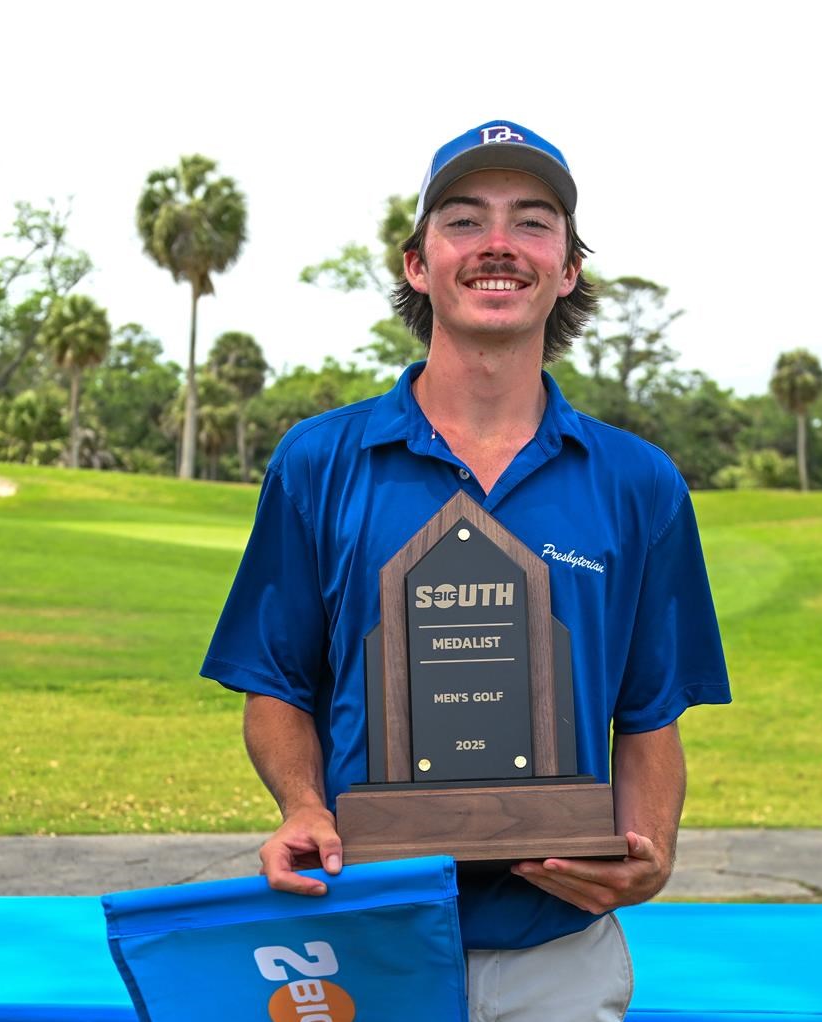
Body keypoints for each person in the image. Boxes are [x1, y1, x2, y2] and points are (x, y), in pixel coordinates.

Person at [202, 119, 731, 1021]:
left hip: (557, 954)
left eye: (532, 222)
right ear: (418, 264)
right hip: (365, 937)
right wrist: (302, 806)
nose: (498, 244)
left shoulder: (638, 482)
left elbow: (650, 713)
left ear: (568, 268)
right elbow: (277, 683)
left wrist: (652, 851)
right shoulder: (319, 462)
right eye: (463, 220)